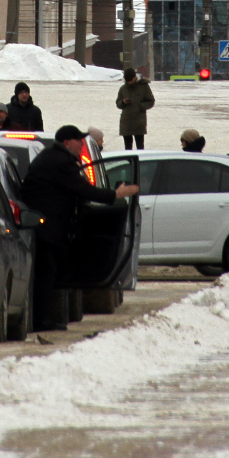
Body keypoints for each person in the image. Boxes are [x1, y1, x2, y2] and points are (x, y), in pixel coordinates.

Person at [19, 125, 139, 332]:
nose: (82, 145)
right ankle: (40, 321)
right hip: (45, 228)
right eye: (79, 141)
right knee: (45, 276)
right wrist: (115, 195)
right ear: (67, 142)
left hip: (46, 226)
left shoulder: (54, 158)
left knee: (49, 275)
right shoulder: (59, 162)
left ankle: (42, 318)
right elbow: (83, 189)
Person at [115, 67, 155, 151]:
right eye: (127, 81)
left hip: (139, 122)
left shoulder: (144, 87)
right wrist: (123, 102)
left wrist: (140, 106)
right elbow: (118, 103)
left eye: (130, 80)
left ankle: (140, 163)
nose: (129, 83)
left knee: (140, 147)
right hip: (126, 122)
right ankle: (129, 163)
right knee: (128, 148)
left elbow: (151, 101)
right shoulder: (123, 88)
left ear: (134, 77)